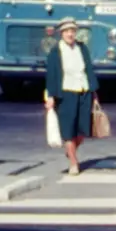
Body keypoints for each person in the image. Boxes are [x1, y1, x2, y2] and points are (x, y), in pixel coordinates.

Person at [43, 17, 99, 175]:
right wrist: (50, 97)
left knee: (83, 130)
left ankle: (71, 150)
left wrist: (94, 92)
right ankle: (73, 162)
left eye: (73, 31)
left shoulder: (82, 48)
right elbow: (51, 76)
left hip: (84, 91)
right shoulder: (55, 52)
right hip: (65, 93)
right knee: (68, 129)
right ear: (61, 33)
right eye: (67, 31)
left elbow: (88, 70)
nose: (70, 34)